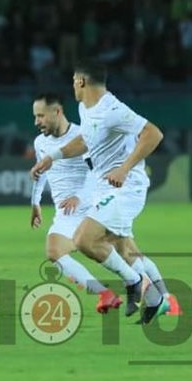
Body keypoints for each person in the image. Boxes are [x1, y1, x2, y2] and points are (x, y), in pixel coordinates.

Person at [30, 63, 177, 325]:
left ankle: (137, 286)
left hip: (125, 188)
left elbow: (153, 134)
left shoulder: (112, 109)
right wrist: (53, 157)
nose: (72, 85)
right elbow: (85, 141)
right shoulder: (85, 109)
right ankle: (160, 298)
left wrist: (124, 168)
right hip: (105, 189)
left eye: (74, 80)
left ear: (81, 81)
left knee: (86, 239)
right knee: (125, 249)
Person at [28, 94, 122, 313]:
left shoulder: (82, 136)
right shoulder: (40, 143)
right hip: (66, 213)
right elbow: (41, 172)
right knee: (54, 251)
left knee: (123, 256)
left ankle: (157, 293)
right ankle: (105, 294)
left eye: (40, 116)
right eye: (35, 116)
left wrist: (79, 196)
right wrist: (35, 203)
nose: (36, 122)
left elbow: (96, 171)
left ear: (57, 112)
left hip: (92, 207)